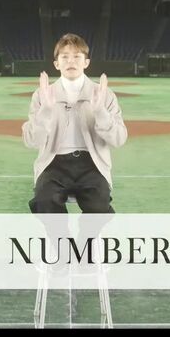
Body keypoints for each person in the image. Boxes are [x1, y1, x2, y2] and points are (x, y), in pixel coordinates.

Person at [22, 33, 127, 214]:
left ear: (86, 62)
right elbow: (32, 141)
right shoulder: (42, 95)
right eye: (65, 57)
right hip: (53, 163)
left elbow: (119, 139)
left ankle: (89, 233)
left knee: (99, 207)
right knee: (44, 200)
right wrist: (46, 110)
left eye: (77, 56)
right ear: (57, 64)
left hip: (93, 164)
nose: (71, 61)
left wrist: (100, 111)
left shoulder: (104, 94)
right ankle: (59, 234)